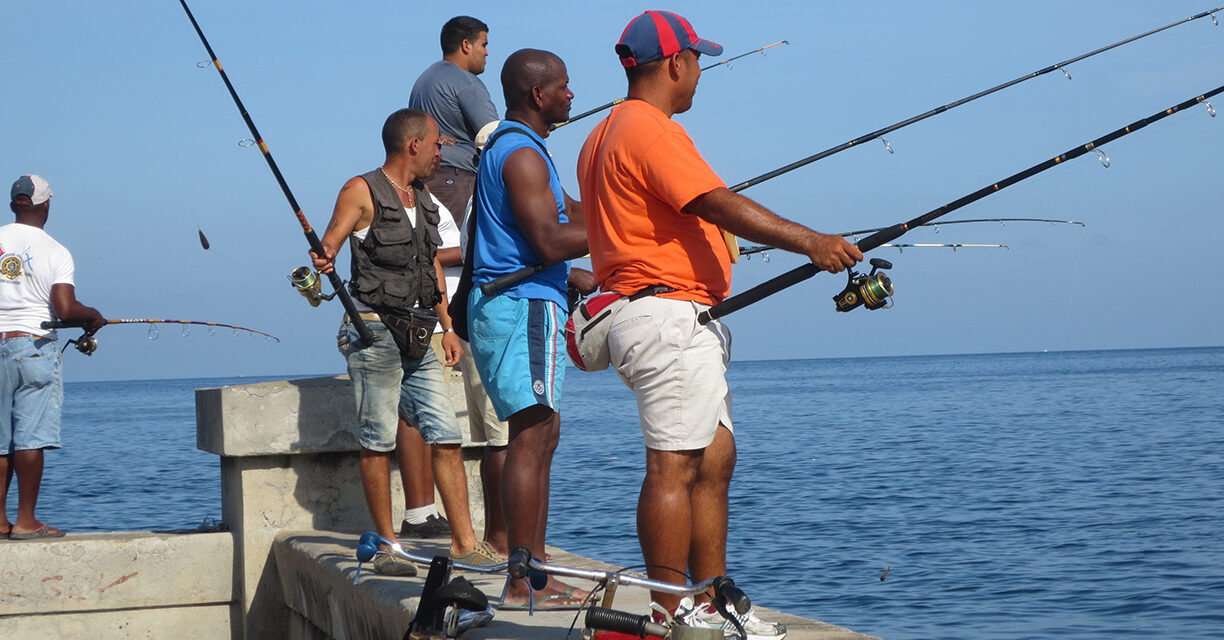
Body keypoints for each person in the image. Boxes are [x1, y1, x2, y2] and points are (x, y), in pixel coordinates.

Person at [575, 11, 863, 638]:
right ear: (675, 63)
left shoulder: (602, 135)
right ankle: (672, 612)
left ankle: (712, 600)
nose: (701, 72)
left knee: (715, 458)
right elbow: (714, 200)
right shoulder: (649, 131)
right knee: (674, 466)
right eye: (698, 60)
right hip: (667, 319)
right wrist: (810, 240)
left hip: (663, 315)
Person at [311, 108, 499, 570]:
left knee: (447, 434)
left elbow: (431, 264)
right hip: (373, 330)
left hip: (420, 333)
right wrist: (324, 256)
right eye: (436, 144)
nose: (441, 153)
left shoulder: (424, 197)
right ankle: (387, 546)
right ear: (413, 144)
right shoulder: (360, 189)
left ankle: (464, 543)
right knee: (377, 439)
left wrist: (448, 326)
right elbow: (330, 241)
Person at [466, 49, 594, 609]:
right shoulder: (521, 155)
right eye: (563, 87)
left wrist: (644, 213)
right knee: (532, 435)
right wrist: (629, 237)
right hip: (521, 305)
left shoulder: (525, 150)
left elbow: (574, 214)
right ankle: (523, 581)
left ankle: (533, 572)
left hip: (516, 302)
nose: (571, 95)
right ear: (537, 95)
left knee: (542, 433)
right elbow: (547, 241)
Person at [409, 15, 512, 555]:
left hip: (437, 182)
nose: (489, 56)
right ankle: (500, 536)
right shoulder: (467, 82)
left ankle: (420, 509)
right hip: (458, 181)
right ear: (466, 45)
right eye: (486, 46)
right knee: (466, 256)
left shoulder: (423, 82)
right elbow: (497, 138)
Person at [1, 175, 104, 540]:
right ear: (46, 205)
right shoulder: (56, 251)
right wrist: (92, 316)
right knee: (28, 439)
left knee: (0, 441)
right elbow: (64, 309)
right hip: (32, 348)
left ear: (15, 204)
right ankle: (26, 522)